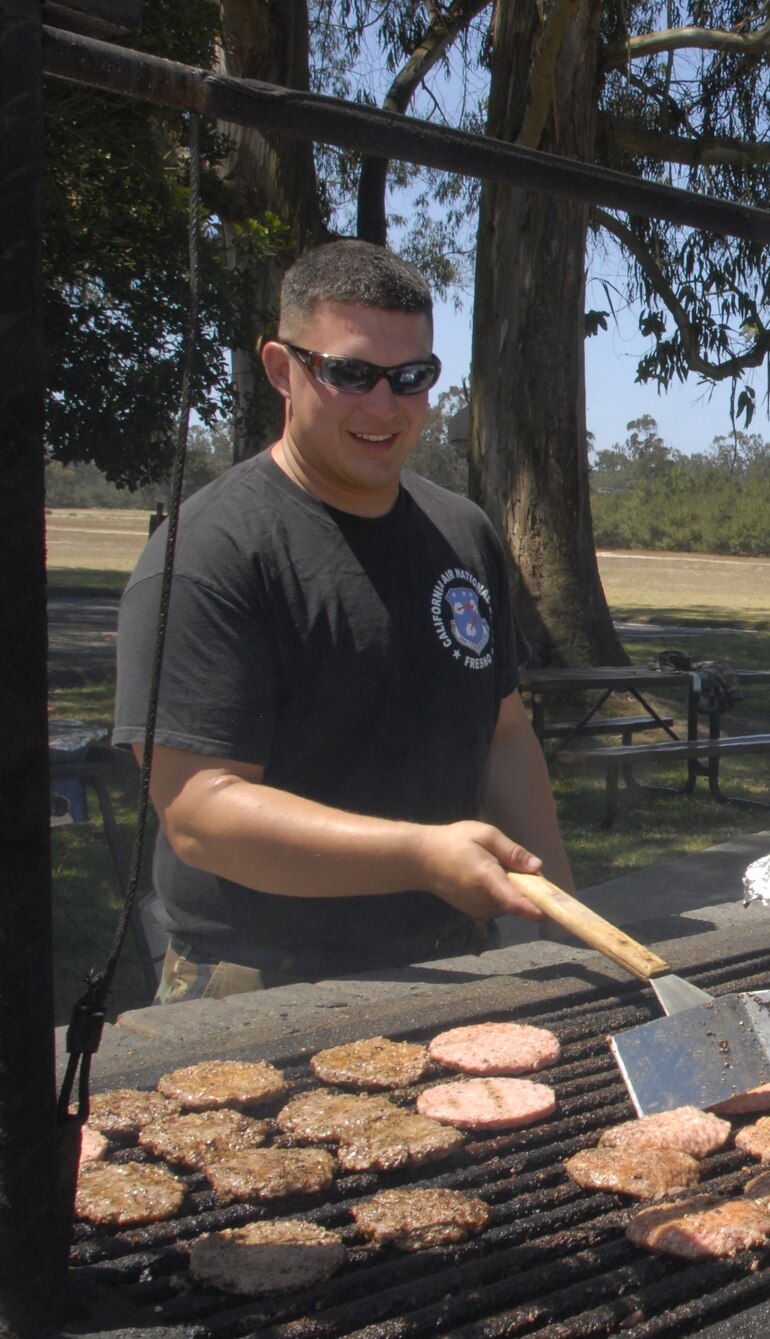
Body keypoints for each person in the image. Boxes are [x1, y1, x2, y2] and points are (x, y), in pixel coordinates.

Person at [114, 240, 568, 1003]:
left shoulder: (462, 533)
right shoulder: (210, 554)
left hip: (453, 959)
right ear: (281, 368)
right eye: (351, 373)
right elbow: (200, 810)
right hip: (259, 983)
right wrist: (422, 855)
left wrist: (562, 909)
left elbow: (505, 734)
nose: (384, 406)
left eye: (411, 377)